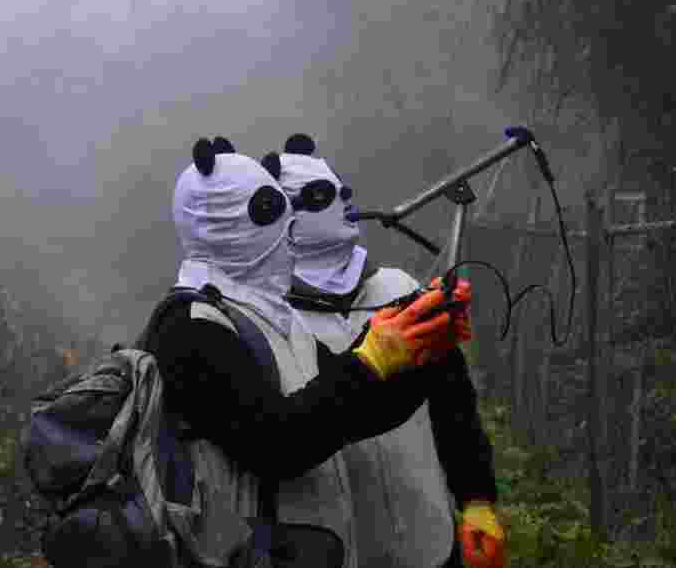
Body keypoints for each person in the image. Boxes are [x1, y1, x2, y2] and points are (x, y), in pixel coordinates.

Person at [146, 136, 474, 568]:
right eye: (273, 215)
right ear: (225, 227)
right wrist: (369, 360)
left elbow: (352, 411)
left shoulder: (265, 313)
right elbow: (277, 443)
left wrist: (419, 347)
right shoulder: (191, 326)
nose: (289, 233)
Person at [270, 133, 505, 568]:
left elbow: (453, 404)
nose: (343, 200)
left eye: (343, 189)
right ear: (282, 219)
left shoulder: (398, 289)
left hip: (430, 540)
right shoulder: (271, 320)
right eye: (321, 196)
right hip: (337, 549)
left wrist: (476, 500)